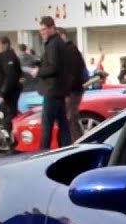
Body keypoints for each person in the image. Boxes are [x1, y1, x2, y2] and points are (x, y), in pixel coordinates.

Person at [35, 16, 71, 149]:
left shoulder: (53, 44)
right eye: (41, 30)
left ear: (52, 28)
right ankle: (68, 149)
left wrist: (38, 72)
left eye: (44, 29)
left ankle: (43, 153)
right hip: (58, 90)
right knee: (63, 124)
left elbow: (53, 67)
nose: (42, 32)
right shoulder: (58, 43)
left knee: (47, 125)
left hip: (52, 90)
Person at [0, 36, 22, 152]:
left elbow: (10, 77)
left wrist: (3, 93)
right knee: (3, 119)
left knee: (7, 120)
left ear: (6, 45)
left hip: (9, 95)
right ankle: (10, 144)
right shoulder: (0, 57)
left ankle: (12, 145)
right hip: (2, 94)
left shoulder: (9, 57)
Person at [57, 29, 88, 140]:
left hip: (72, 90)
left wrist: (66, 88)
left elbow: (73, 72)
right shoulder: (70, 50)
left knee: (70, 118)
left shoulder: (69, 51)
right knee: (71, 117)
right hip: (73, 89)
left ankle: (76, 141)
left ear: (63, 36)